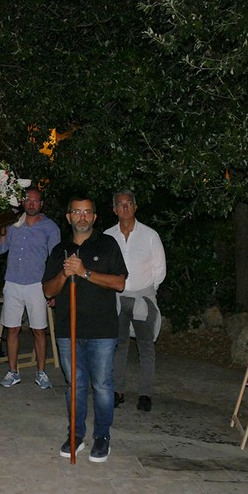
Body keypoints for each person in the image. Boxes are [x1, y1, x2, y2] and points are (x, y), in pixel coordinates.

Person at [42, 197, 127, 463]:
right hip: (69, 330)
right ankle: (76, 434)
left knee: (102, 386)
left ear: (94, 217)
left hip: (102, 329)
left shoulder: (108, 244)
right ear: (68, 217)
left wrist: (85, 272)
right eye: (76, 212)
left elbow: (120, 283)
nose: (82, 217)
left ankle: (102, 437)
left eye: (87, 212)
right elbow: (47, 290)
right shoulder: (60, 250)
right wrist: (65, 275)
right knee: (74, 386)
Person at [104, 190, 166, 412]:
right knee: (118, 345)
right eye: (120, 205)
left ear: (135, 207)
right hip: (117, 299)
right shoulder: (107, 236)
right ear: (114, 210)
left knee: (146, 346)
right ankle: (117, 390)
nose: (125, 208)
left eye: (129, 203)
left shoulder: (150, 235)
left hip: (143, 298)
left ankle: (145, 393)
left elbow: (160, 270)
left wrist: (147, 291)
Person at [0, 188, 61, 389]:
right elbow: (0, 249)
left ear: (41, 204)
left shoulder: (50, 227)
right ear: (22, 203)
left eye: (35, 201)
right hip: (13, 282)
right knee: (12, 329)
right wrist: (3, 232)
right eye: (28, 201)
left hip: (37, 284)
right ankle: (13, 372)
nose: (31, 204)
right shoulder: (13, 224)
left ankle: (41, 373)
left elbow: (56, 259)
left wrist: (53, 289)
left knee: (39, 330)